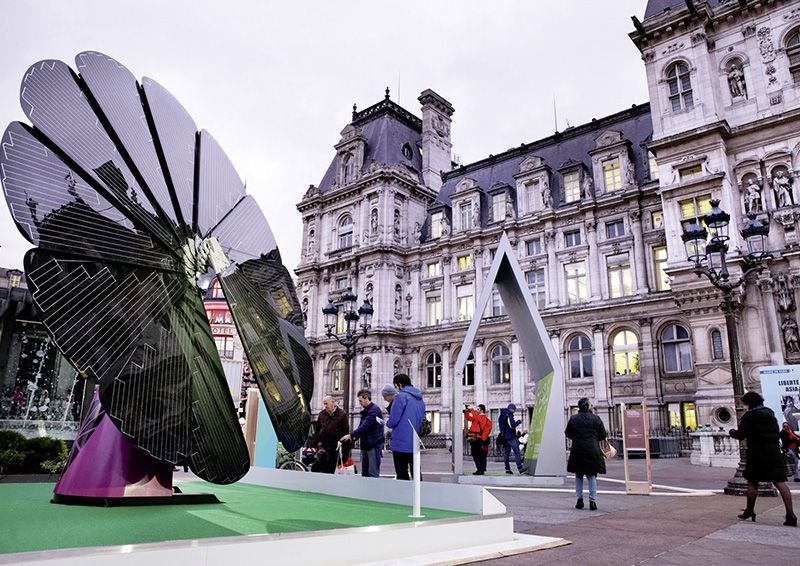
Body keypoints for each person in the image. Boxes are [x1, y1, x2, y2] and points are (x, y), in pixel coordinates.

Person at [729, 391, 796, 526]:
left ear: (749, 403)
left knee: (753, 482)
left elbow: (741, 435)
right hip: (773, 452)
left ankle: (749, 510)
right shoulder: (770, 413)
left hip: (757, 452)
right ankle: (791, 514)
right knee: (780, 482)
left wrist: (732, 432)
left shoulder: (749, 416)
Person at [565, 397, 607, 511]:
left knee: (578, 475)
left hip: (578, 448)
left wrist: (577, 437)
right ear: (588, 406)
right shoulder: (596, 418)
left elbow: (568, 433)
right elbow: (603, 434)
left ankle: (579, 500)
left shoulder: (573, 418)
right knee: (591, 475)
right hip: (592, 449)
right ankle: (592, 501)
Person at [386, 373, 425, 480]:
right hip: (414, 440)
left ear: (399, 385)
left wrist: (387, 423)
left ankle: (404, 494)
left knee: (402, 472)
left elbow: (394, 419)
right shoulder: (419, 398)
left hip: (401, 440)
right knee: (416, 472)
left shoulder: (401, 396)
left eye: (395, 386)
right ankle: (419, 493)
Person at [340, 389, 384, 478]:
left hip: (373, 445)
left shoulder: (374, 411)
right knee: (365, 473)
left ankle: (373, 491)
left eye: (360, 400)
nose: (360, 403)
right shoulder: (367, 411)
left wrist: (350, 436)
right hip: (367, 444)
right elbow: (362, 428)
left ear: (366, 398)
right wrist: (353, 438)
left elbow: (365, 427)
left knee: (372, 473)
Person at [312, 396, 349, 474]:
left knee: (330, 469)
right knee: (316, 467)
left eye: (326, 404)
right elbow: (317, 429)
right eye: (324, 404)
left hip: (335, 447)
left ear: (333, 403)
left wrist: (342, 443)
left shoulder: (342, 414)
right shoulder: (322, 414)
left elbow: (345, 431)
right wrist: (317, 443)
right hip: (323, 446)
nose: (325, 406)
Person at [464, 404, 492, 475]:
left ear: (482, 410)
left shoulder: (483, 418)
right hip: (473, 438)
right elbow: (468, 418)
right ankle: (479, 469)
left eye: (478, 409)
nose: (476, 410)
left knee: (478, 454)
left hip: (478, 439)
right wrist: (466, 411)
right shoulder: (476, 418)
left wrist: (471, 410)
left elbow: (475, 416)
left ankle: (481, 469)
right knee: (474, 454)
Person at [498, 403, 525, 475]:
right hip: (510, 436)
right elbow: (512, 425)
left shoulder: (502, 415)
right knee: (517, 452)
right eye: (514, 409)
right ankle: (520, 468)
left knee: (506, 453)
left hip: (504, 437)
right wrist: (518, 422)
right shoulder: (509, 415)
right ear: (512, 409)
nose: (515, 411)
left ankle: (507, 469)